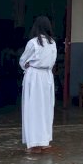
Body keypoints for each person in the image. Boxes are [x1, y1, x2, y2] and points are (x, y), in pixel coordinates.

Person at [19, 16, 57, 153]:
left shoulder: (33, 43)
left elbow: (23, 61)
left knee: (33, 108)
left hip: (34, 76)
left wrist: (28, 64)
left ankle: (35, 143)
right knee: (45, 108)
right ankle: (44, 140)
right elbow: (52, 61)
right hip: (47, 76)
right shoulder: (52, 43)